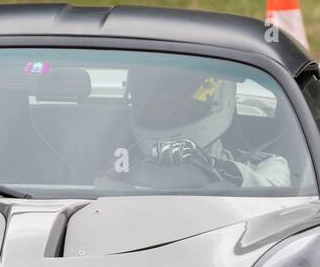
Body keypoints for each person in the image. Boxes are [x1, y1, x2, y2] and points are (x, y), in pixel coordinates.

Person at [102, 63, 291, 190]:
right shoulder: (123, 165)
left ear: (215, 101)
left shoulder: (267, 164)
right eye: (154, 102)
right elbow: (99, 202)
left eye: (178, 100)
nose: (166, 110)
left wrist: (213, 167)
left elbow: (276, 194)